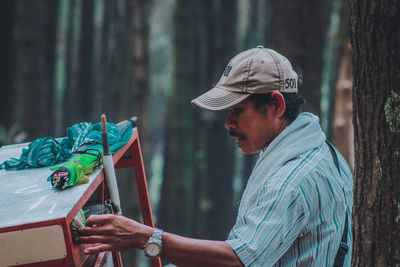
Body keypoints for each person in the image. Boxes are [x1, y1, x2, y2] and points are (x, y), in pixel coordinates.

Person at [76, 46, 353, 266]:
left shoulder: (291, 182)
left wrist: (146, 237)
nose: (228, 123)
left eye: (238, 112)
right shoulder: (323, 151)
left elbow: (239, 260)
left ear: (276, 105)